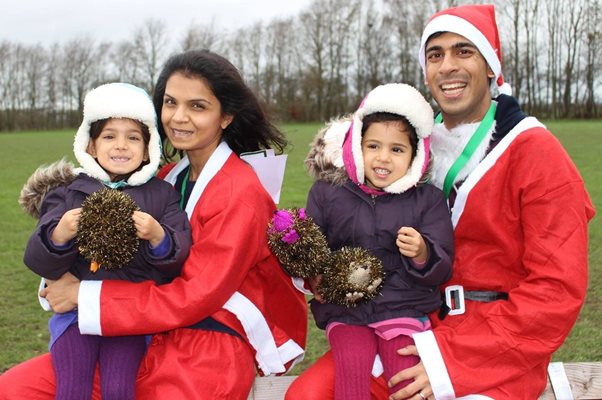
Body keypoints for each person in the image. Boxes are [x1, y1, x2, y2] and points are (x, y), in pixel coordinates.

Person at [285, 4, 595, 400]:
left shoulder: (537, 153)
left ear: (490, 66)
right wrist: (324, 272)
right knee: (307, 395)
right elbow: (355, 216)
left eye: (463, 51)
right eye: (435, 55)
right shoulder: (410, 146)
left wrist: (453, 361)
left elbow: (556, 291)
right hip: (409, 322)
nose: (447, 65)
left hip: (492, 345)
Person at [0, 50, 308, 399]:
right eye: (170, 102)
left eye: (197, 106)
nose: (178, 117)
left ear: (226, 117)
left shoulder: (241, 193)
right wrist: (60, 274)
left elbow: (195, 296)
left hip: (209, 346)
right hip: (145, 330)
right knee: (14, 387)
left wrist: (83, 296)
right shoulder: (166, 177)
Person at [20, 82, 192, 400]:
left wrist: (159, 237)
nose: (121, 146)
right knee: (72, 387)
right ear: (90, 145)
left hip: (130, 317)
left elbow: (178, 259)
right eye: (109, 136)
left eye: (133, 138)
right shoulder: (68, 192)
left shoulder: (162, 195)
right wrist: (59, 234)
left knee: (118, 389)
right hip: (74, 316)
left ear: (148, 146)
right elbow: (36, 258)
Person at [304, 83, 453, 400]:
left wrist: (423, 252)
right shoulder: (328, 192)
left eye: (397, 149)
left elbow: (443, 265)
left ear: (417, 155)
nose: (383, 158)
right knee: (351, 380)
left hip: (404, 308)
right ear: (357, 147)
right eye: (373, 146)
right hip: (346, 310)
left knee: (406, 384)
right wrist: (308, 267)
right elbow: (313, 249)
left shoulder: (428, 200)